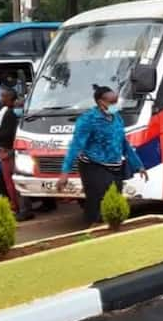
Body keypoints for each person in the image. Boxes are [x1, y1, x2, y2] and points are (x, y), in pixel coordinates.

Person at [57, 86, 148, 225]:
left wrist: (138, 165)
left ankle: (112, 230)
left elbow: (123, 143)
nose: (116, 104)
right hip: (93, 167)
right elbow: (76, 146)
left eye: (117, 101)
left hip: (115, 167)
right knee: (97, 203)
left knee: (114, 201)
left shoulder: (117, 118)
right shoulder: (88, 119)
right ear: (101, 102)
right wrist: (65, 173)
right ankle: (93, 229)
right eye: (113, 101)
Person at [0, 88, 33, 221]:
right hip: (11, 150)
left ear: (9, 98)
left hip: (10, 151)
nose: (1, 99)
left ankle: (22, 209)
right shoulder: (10, 113)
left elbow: (8, 133)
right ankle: (20, 208)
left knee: (14, 182)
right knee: (9, 182)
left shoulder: (11, 114)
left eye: (3, 96)